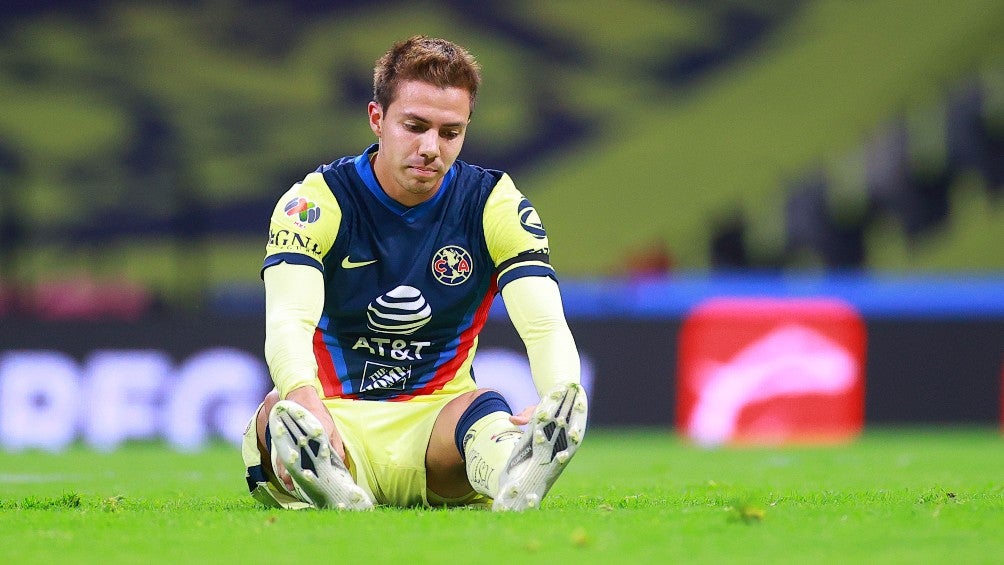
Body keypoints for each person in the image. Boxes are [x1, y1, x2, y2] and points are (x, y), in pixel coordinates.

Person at [241, 36, 587, 511]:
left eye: (450, 132)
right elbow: (287, 321)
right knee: (277, 414)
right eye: (415, 126)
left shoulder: (494, 204)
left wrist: (559, 397)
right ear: (376, 118)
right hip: (332, 415)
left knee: (488, 409)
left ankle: (515, 474)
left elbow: (545, 322)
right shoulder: (316, 202)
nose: (430, 148)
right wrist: (304, 399)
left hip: (437, 431)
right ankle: (328, 475)